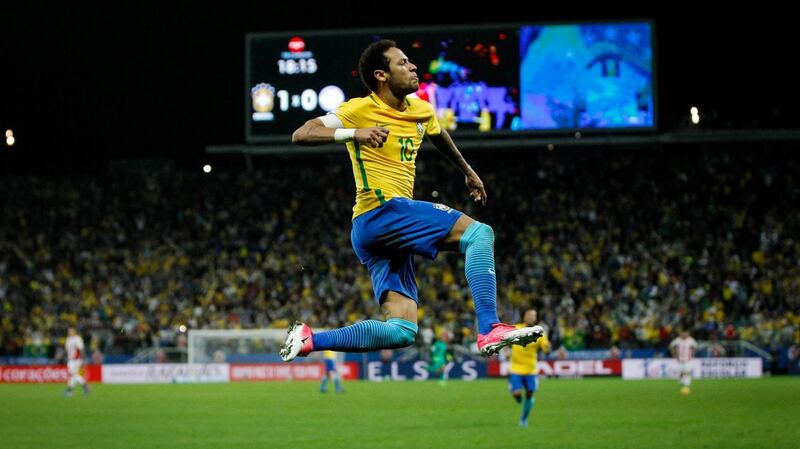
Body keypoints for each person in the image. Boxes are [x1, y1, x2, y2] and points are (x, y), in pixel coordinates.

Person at [281, 39, 543, 362]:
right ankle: (490, 327)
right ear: (381, 75)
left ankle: (310, 340)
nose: (413, 66)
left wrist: (467, 170)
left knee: (402, 330)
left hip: (379, 233)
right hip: (380, 212)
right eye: (402, 63)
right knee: (479, 234)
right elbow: (302, 133)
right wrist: (353, 133)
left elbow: (437, 134)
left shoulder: (420, 109)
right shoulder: (359, 109)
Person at [507, 309, 550, 427]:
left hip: (531, 369)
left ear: (535, 318)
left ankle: (524, 418)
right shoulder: (516, 328)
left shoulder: (539, 332)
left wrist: (547, 348)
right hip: (516, 368)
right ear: (524, 316)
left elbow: (545, 346)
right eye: (529, 315)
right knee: (516, 393)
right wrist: (506, 351)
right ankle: (517, 397)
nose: (531, 318)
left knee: (530, 393)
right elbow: (506, 342)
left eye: (533, 316)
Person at [669, 328, 697, 395]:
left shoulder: (691, 340)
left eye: (685, 333)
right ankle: (683, 384)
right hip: (679, 360)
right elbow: (670, 346)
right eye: (682, 333)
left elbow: (695, 347)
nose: (684, 334)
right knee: (680, 374)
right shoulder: (677, 340)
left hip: (688, 360)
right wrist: (674, 354)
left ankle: (687, 386)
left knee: (687, 372)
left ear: (688, 333)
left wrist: (692, 354)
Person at [64, 327, 89, 397]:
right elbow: (67, 350)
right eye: (69, 331)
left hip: (76, 360)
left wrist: (83, 359)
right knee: (73, 375)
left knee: (73, 374)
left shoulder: (77, 339)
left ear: (74, 331)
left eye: (71, 331)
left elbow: (81, 349)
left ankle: (83, 386)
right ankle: (70, 390)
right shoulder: (68, 339)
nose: (69, 332)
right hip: (70, 360)